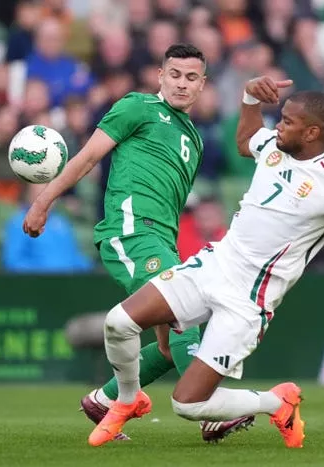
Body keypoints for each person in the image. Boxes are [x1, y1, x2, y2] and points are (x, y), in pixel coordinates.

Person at [85, 77, 324, 448]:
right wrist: (249, 96)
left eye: (288, 121)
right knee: (119, 323)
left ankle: (276, 402)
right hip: (212, 266)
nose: (278, 126)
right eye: (279, 118)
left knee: (187, 404)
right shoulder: (275, 146)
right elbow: (245, 138)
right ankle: (128, 398)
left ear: (313, 132)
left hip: (247, 301)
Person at [23, 44, 251, 441]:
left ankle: (105, 400)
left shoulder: (193, 139)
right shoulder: (137, 107)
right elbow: (89, 157)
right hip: (131, 232)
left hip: (163, 239)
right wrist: (44, 200)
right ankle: (210, 409)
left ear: (203, 85)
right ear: (160, 76)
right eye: (175, 74)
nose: (182, 83)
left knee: (167, 348)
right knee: (186, 316)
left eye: (191, 77)